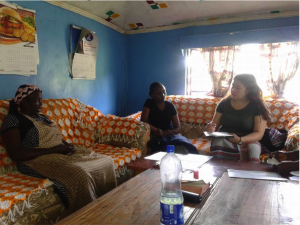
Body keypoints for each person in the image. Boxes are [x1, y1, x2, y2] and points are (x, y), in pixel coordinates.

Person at [0, 84, 116, 212]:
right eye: (37, 101)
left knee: (106, 161)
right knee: (80, 174)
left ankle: (107, 205)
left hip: (57, 153)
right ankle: (87, 215)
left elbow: (54, 136)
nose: (41, 104)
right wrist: (55, 150)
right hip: (35, 161)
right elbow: (17, 154)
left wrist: (66, 144)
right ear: (24, 101)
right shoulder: (13, 120)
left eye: (41, 100)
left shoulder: (41, 117)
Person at [206, 74, 271, 161]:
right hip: (225, 140)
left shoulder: (257, 106)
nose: (233, 90)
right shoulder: (224, 103)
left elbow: (258, 134)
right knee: (217, 140)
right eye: (232, 86)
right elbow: (214, 126)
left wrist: (240, 140)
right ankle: (218, 171)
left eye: (238, 88)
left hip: (247, 141)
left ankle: (249, 173)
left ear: (247, 90)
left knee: (254, 148)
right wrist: (210, 129)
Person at [141, 82, 198, 154]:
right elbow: (143, 120)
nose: (163, 95)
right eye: (159, 93)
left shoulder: (170, 105)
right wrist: (158, 131)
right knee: (158, 146)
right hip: (157, 135)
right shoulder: (149, 103)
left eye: (164, 92)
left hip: (171, 135)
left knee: (188, 146)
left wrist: (169, 132)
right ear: (152, 94)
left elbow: (178, 127)